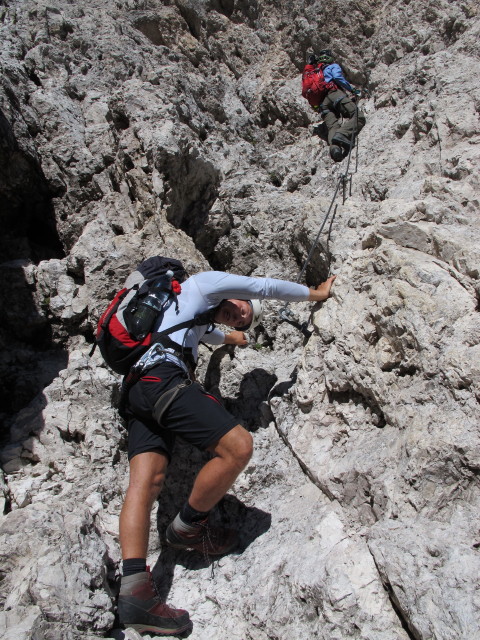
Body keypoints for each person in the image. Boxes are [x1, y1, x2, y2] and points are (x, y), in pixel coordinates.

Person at [117, 268, 336, 635]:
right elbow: (264, 287)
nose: (238, 315)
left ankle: (135, 591)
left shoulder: (194, 317)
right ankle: (187, 527)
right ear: (234, 296)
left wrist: (234, 337)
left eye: (242, 319)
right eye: (240, 309)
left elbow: (216, 335)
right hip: (162, 380)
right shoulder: (203, 285)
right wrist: (317, 294)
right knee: (238, 447)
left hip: (137, 389)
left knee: (147, 482)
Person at [302, 49, 366, 162]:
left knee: (332, 127)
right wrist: (352, 89)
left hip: (323, 104)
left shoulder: (315, 72)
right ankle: (342, 134)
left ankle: (335, 149)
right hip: (335, 94)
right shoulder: (332, 66)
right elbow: (337, 78)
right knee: (358, 117)